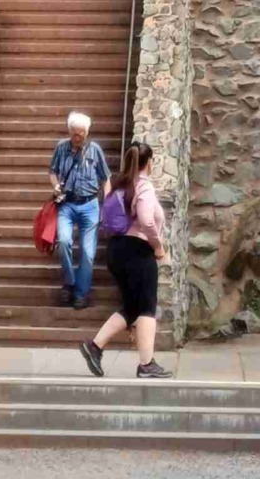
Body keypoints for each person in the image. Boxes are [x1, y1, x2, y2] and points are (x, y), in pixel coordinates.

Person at [79, 141, 173, 380]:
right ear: (149, 162)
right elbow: (147, 220)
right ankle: (146, 364)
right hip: (138, 252)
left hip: (117, 251)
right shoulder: (144, 186)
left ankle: (94, 347)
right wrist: (158, 246)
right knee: (147, 307)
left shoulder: (120, 185)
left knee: (131, 308)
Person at [49, 111, 110, 310]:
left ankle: (81, 293)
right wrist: (55, 186)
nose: (78, 137)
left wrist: (107, 203)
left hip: (90, 204)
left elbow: (105, 178)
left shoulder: (95, 150)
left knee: (87, 251)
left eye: (81, 134)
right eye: (75, 134)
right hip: (67, 203)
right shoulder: (61, 148)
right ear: (69, 132)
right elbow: (53, 171)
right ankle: (70, 282)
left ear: (87, 132)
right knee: (64, 241)